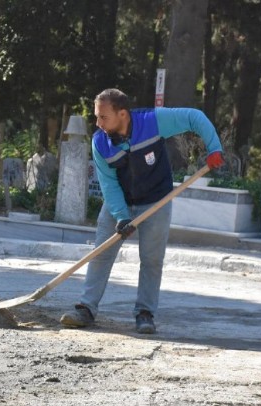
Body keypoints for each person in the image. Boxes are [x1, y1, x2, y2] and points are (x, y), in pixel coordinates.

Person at [60, 88, 224, 334]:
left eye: (103, 117)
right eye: (96, 117)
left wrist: (214, 148)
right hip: (120, 201)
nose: (98, 123)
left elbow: (194, 117)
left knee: (151, 260)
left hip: (156, 200)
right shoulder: (100, 142)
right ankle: (86, 308)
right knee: (101, 254)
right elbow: (109, 184)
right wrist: (121, 217)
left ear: (123, 114)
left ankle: (145, 313)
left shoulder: (153, 122)